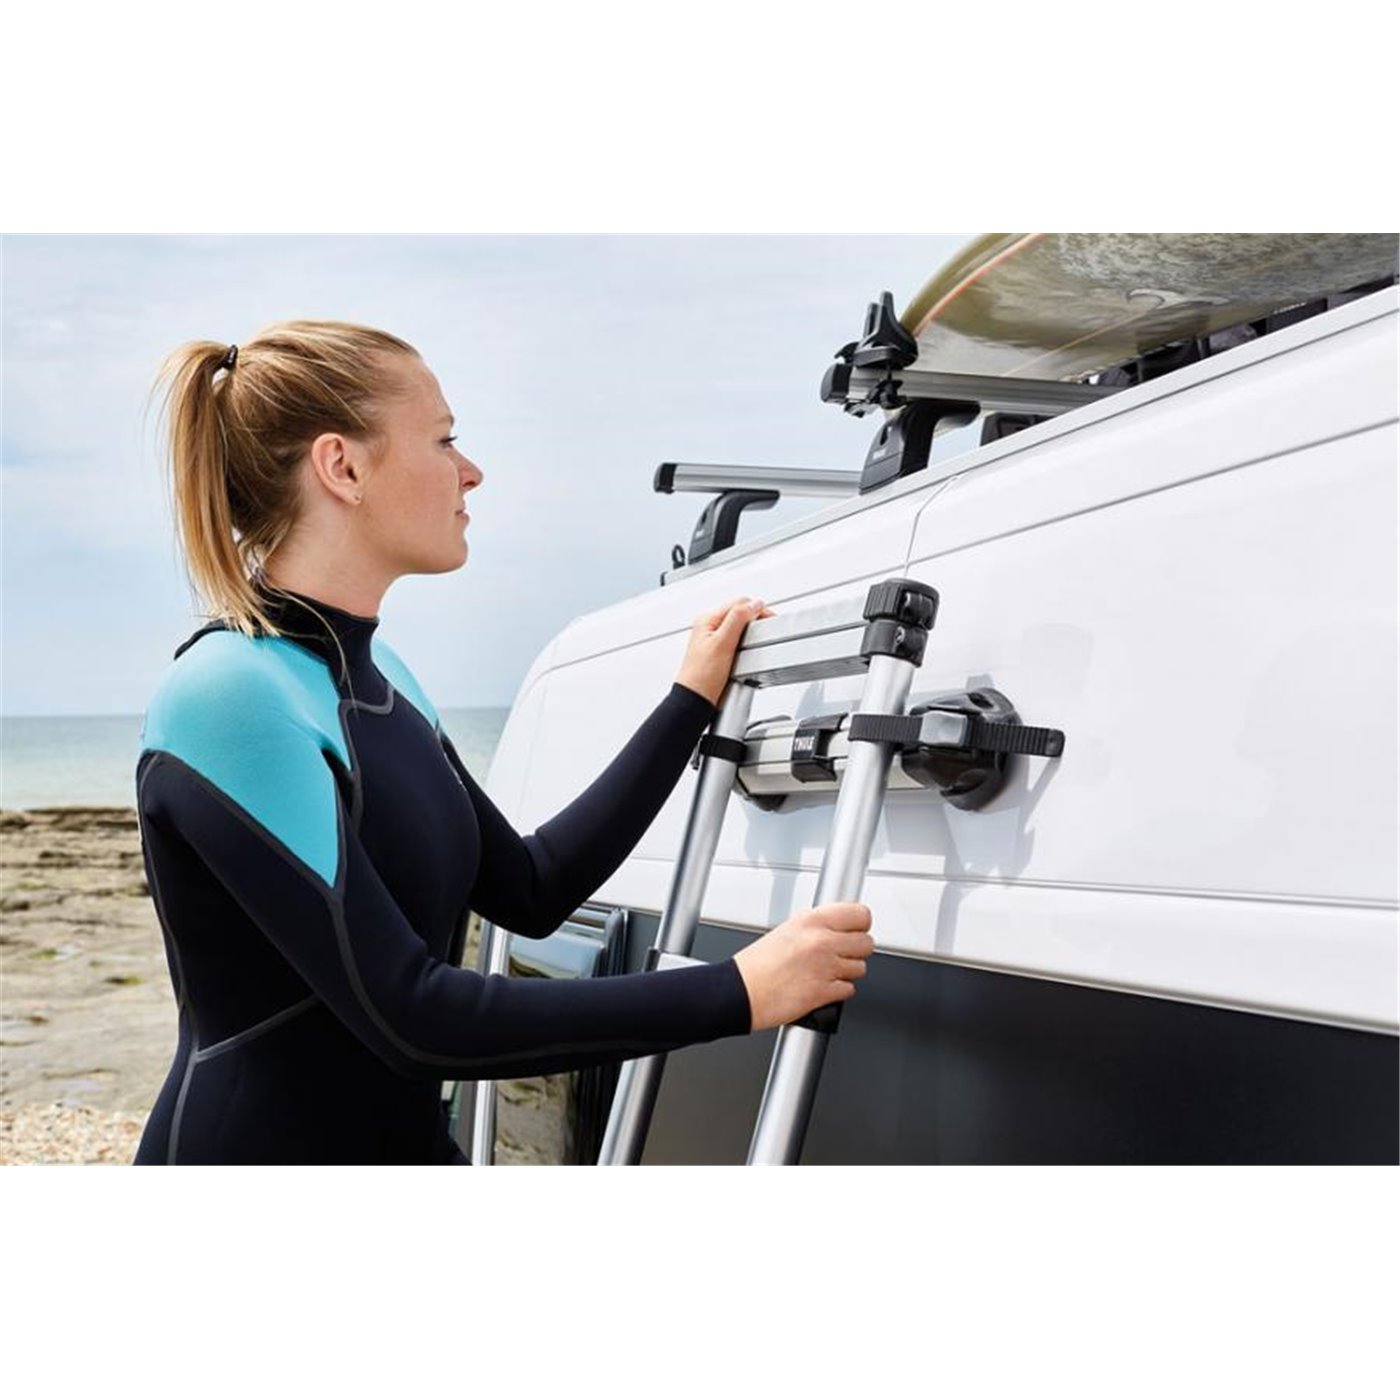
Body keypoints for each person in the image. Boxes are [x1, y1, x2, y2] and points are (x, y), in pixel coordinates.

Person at [133, 319, 875, 1165]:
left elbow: (530, 887)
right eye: (444, 439)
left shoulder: (384, 681)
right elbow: (415, 1018)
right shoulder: (229, 696)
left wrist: (687, 704)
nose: (471, 471)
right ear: (343, 467)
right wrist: (741, 991)